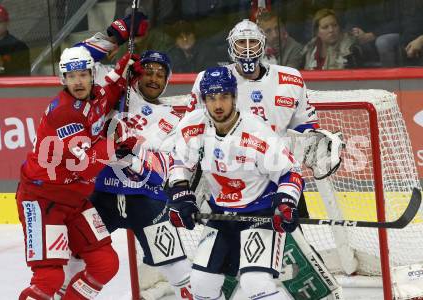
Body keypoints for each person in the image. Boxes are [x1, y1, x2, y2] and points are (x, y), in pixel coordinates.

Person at [189, 19, 345, 299]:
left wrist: (317, 144)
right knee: (217, 268)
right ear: (230, 46)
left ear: (263, 45)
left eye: (252, 43)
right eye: (241, 43)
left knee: (289, 254)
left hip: (276, 180)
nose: (247, 50)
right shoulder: (212, 79)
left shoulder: (290, 79)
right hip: (225, 181)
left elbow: (305, 127)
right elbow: (193, 130)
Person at [15, 46, 140, 299]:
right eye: (71, 77)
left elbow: (110, 93)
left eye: (83, 74)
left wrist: (124, 70)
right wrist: (115, 143)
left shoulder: (94, 96)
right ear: (63, 79)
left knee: (105, 263)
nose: (78, 81)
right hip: (42, 200)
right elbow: (85, 164)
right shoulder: (64, 112)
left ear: (92, 75)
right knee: (49, 278)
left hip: (74, 200)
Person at [167, 66, 302, 300]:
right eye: (211, 98)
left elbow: (290, 172)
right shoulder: (191, 126)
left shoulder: (257, 132)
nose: (218, 105)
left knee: (255, 283)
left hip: (260, 212)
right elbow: (179, 162)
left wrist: (286, 204)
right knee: (200, 284)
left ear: (235, 97)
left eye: (224, 97)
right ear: (203, 99)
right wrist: (180, 194)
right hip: (221, 214)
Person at [90, 50, 195, 299]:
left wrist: (134, 153)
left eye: (161, 74)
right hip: (102, 196)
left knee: (176, 265)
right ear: (137, 74)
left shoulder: (175, 118)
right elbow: (83, 66)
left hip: (147, 202)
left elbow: (166, 167)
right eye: (148, 71)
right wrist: (116, 52)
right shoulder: (115, 95)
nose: (154, 78)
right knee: (77, 256)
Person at [0, 4, 30, 76]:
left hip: (10, 87)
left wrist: (0, 62)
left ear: (7, 23)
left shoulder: (19, 46)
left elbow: (24, 74)